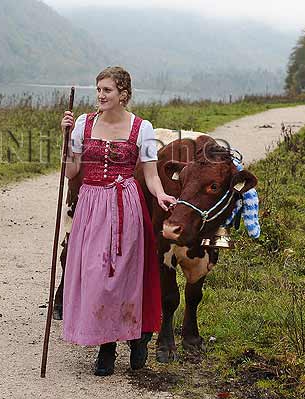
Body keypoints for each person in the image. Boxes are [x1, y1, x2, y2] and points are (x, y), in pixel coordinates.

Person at [60, 66, 176, 376]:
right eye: (98, 90)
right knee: (97, 275)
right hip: (91, 206)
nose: (100, 95)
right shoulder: (83, 124)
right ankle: (107, 342)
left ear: (123, 94)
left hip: (126, 205)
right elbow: (71, 171)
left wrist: (162, 195)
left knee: (124, 275)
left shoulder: (143, 127)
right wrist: (66, 139)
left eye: (107, 90)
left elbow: (150, 174)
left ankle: (136, 339)